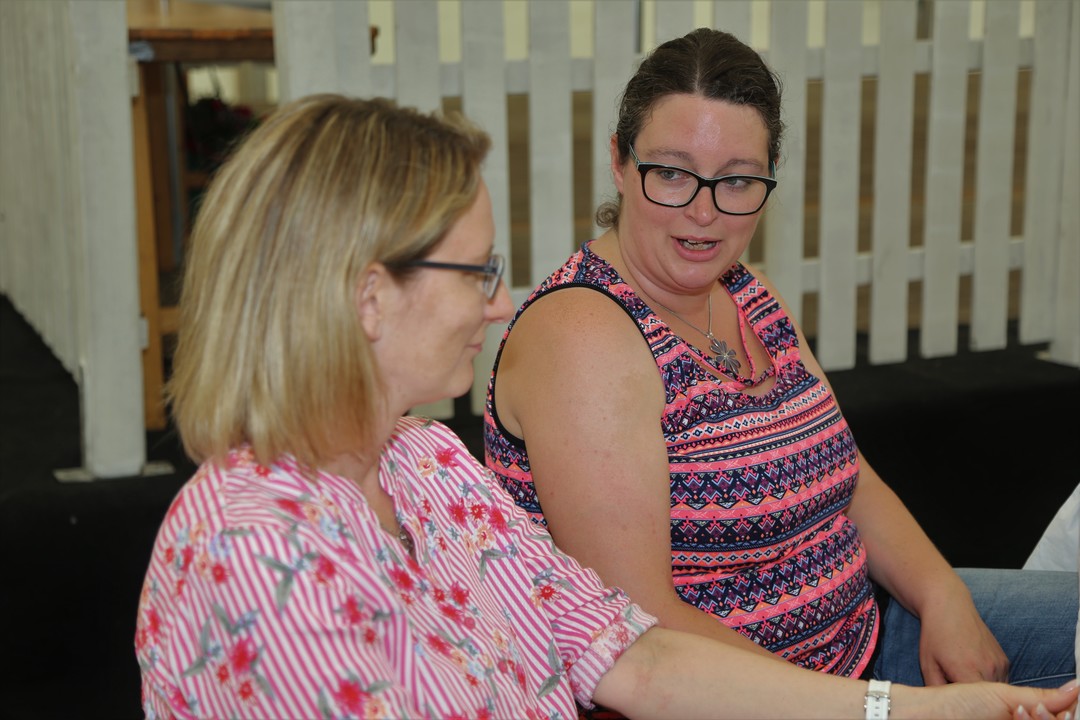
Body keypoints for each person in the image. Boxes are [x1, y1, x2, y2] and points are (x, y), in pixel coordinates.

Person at [134, 93, 1079, 720]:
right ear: (370, 298)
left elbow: (634, 657)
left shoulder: (424, 463)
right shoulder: (259, 552)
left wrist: (901, 710)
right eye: (478, 273)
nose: (503, 304)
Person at [483, 25, 1078, 700]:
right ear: (620, 162)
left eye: (737, 180)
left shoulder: (746, 292)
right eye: (672, 173)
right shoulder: (583, 335)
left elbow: (848, 477)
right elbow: (642, 624)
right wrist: (883, 710)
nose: (704, 212)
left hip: (867, 642)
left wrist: (942, 594)